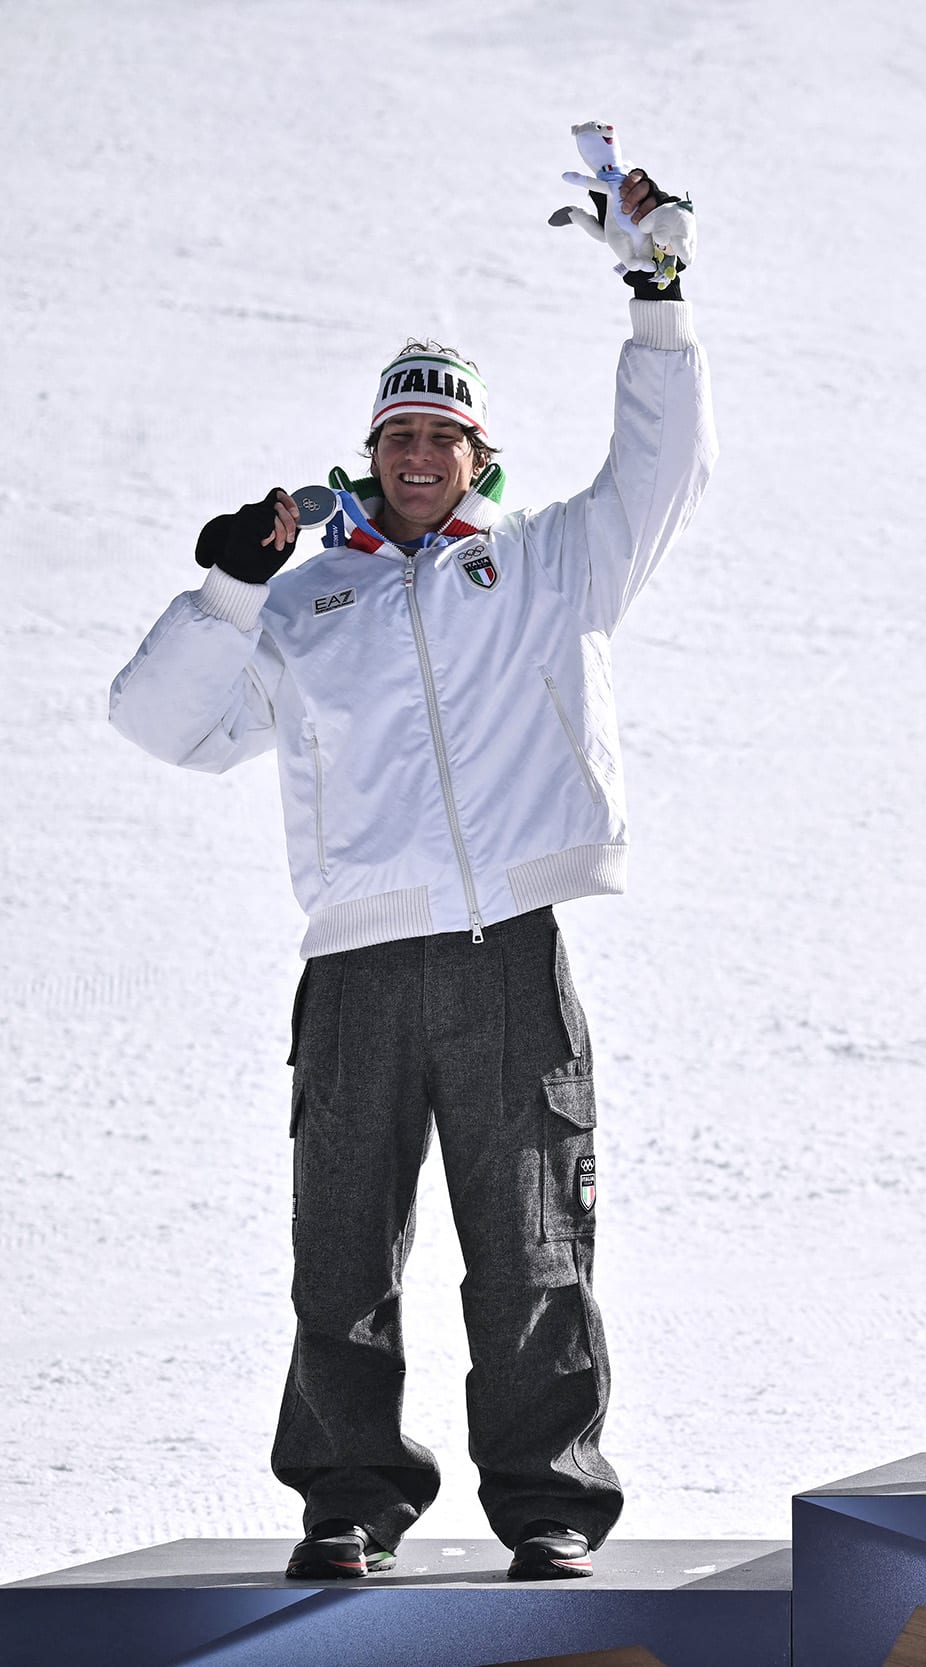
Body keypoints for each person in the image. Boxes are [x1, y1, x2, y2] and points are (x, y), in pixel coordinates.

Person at [106, 150, 715, 1582]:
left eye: (445, 433)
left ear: (479, 450)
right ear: (369, 452)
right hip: (357, 961)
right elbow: (160, 727)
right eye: (400, 434)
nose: (421, 455)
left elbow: (664, 469)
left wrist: (659, 298)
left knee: (532, 1246)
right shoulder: (308, 599)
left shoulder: (552, 565)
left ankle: (550, 1501)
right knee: (341, 1256)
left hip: (508, 940)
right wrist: (224, 592)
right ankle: (347, 1497)